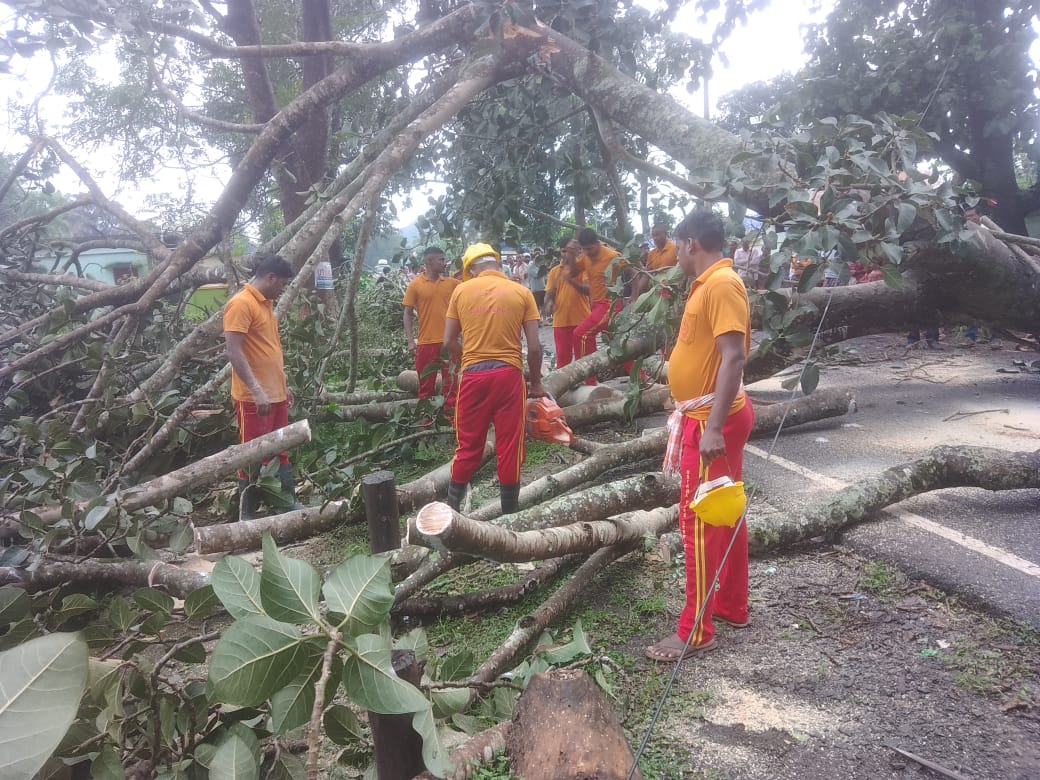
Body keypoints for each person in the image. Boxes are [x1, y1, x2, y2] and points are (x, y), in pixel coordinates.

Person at [646, 211, 754, 661]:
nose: (676, 255)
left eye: (678, 246)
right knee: (724, 512)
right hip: (706, 415)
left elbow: (734, 358)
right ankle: (731, 606)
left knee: (700, 521)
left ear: (691, 243)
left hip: (713, 421)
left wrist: (711, 428)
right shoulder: (707, 284)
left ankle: (695, 629)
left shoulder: (723, 284)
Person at [444, 243, 546, 515]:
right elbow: (535, 348)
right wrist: (536, 383)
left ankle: (450, 512)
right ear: (498, 264)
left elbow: (448, 341)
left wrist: (469, 358)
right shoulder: (522, 292)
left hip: (473, 377)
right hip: (508, 376)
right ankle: (509, 515)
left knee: (468, 446)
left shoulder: (460, 291)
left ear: (472, 268)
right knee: (509, 446)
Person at [224, 254, 304, 521]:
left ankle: (286, 502)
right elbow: (234, 350)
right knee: (252, 453)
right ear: (270, 278)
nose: (282, 289)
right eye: (281, 283)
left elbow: (269, 348)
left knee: (280, 448)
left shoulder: (266, 305)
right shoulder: (241, 304)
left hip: (275, 393)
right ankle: (246, 512)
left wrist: (283, 384)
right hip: (253, 398)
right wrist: (256, 390)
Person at [402, 246, 461, 411]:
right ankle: (426, 420)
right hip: (426, 343)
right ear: (429, 261)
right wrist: (410, 341)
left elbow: (472, 289)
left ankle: (450, 419)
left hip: (449, 343)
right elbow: (407, 313)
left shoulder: (452, 284)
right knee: (425, 386)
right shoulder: (415, 285)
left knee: (451, 385)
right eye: (441, 260)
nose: (444, 263)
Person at [572, 228, 621, 382]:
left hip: (610, 305)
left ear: (598, 243)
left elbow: (634, 271)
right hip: (597, 306)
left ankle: (588, 379)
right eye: (584, 249)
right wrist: (570, 254)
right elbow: (573, 272)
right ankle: (640, 379)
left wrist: (634, 296)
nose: (587, 252)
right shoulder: (585, 257)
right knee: (618, 345)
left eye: (589, 249)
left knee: (581, 334)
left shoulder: (613, 256)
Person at [544, 237, 591, 368]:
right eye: (564, 251)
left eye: (570, 251)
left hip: (582, 320)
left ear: (577, 251)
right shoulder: (554, 271)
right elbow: (549, 293)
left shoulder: (583, 268)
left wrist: (571, 281)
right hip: (561, 322)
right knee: (563, 360)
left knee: (584, 359)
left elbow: (588, 290)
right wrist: (548, 303)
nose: (567, 254)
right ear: (560, 252)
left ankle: (589, 381)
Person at [630, 224, 678, 300]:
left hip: (675, 291)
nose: (655, 238)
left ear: (665, 233)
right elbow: (646, 275)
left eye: (657, 235)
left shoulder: (676, 249)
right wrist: (636, 294)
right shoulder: (651, 254)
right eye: (653, 236)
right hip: (658, 293)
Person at [528, 248, 549, 318]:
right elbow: (537, 275)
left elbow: (546, 277)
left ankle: (544, 319)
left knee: (543, 305)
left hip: (543, 288)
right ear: (533, 258)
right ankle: (537, 319)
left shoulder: (541, 266)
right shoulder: (531, 267)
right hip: (535, 289)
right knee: (536, 306)